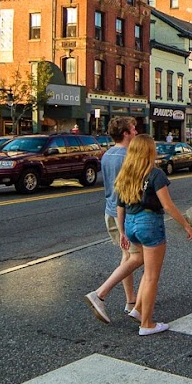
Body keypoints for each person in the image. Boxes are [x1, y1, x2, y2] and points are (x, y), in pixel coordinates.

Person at [86, 134, 192, 336]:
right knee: (152, 275)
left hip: (130, 223)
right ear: (149, 151)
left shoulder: (126, 174)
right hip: (150, 223)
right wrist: (186, 225)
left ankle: (122, 303)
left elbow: (120, 206)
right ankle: (147, 323)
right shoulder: (155, 174)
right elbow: (168, 205)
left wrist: (122, 232)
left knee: (139, 261)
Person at [84, 117, 142, 325]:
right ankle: (100, 294)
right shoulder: (129, 156)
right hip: (126, 214)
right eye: (133, 129)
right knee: (137, 257)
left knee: (127, 256)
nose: (136, 132)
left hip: (110, 211)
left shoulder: (107, 155)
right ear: (125, 133)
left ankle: (130, 301)